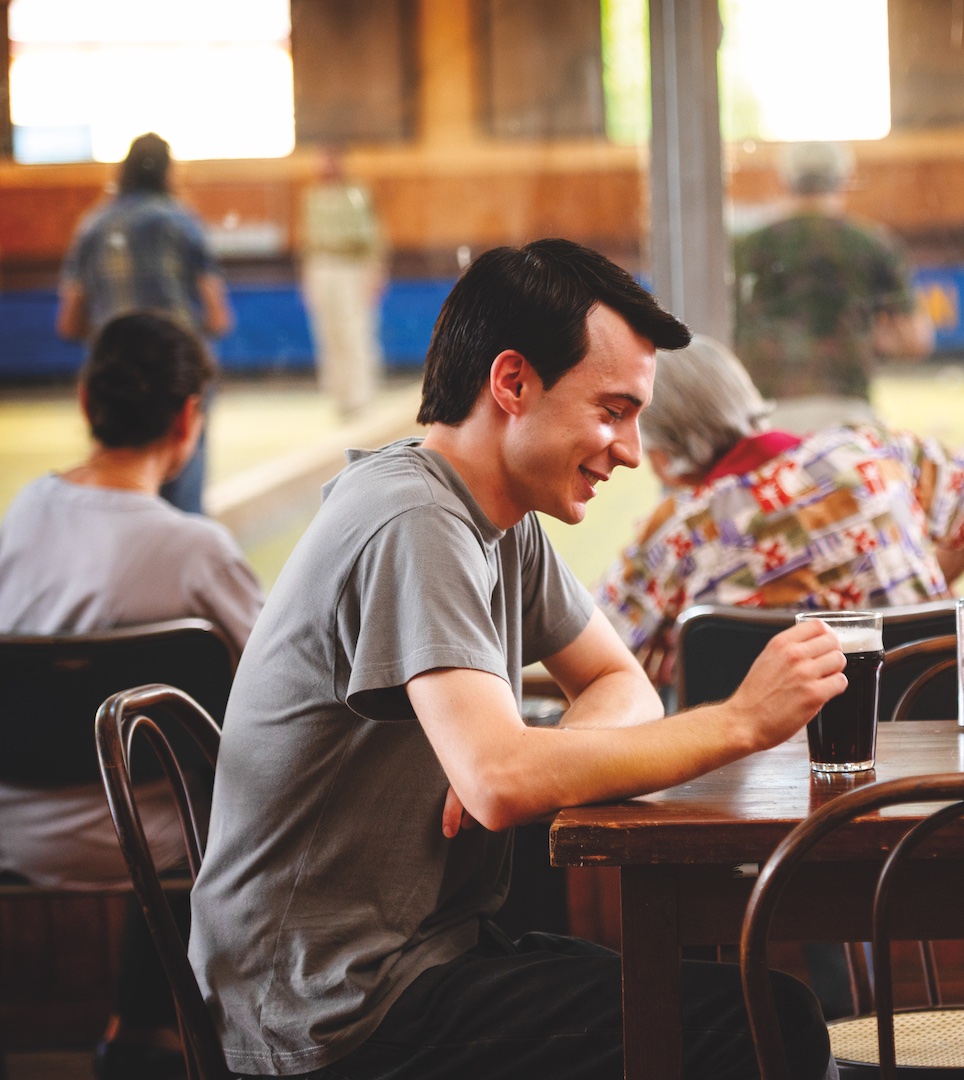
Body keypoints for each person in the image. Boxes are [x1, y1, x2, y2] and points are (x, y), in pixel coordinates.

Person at [188, 240, 840, 1080]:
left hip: (422, 959)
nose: (634, 451)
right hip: (330, 1011)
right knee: (764, 1022)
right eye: (612, 410)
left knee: (741, 1002)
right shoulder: (411, 521)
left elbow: (617, 683)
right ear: (511, 385)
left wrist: (529, 760)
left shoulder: (501, 521)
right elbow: (501, 783)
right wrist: (743, 722)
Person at [0, 311, 262, 1079]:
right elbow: (282, 680)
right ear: (188, 421)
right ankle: (172, 1030)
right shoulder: (195, 550)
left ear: (86, 401)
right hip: (163, 851)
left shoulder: (20, 516)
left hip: (10, 834)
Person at [598, 334, 964, 688]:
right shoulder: (870, 451)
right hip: (922, 745)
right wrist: (922, 587)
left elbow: (592, 651)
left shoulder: (674, 535)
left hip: (747, 776)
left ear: (657, 452)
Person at [57, 133, 233, 515]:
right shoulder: (181, 221)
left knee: (120, 493)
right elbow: (219, 317)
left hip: (112, 374)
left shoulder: (92, 225)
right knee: (184, 504)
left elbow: (68, 322)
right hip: (177, 373)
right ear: (168, 173)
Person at [734, 141, 934, 432]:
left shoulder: (749, 246)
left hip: (766, 414)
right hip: (847, 413)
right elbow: (916, 339)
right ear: (843, 179)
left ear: (785, 179)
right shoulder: (872, 244)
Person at [301, 147, 387, 418]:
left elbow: (374, 234)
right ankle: (339, 395)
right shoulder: (312, 196)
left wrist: (374, 271)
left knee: (355, 331)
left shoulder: (356, 193)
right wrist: (308, 276)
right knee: (329, 332)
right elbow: (308, 240)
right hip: (321, 266)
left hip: (351, 266)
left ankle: (361, 396)